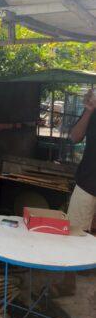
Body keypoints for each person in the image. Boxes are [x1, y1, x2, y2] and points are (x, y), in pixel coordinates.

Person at [52, 89, 96, 297]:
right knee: (74, 231)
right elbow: (75, 137)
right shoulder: (93, 110)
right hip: (88, 181)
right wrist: (88, 110)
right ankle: (68, 283)